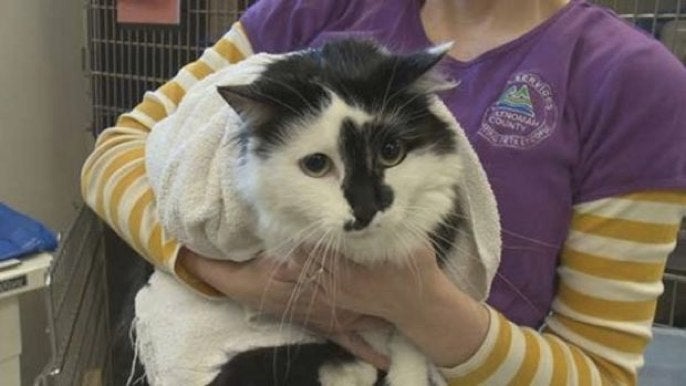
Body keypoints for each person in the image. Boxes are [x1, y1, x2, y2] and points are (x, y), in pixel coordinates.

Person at [81, 0, 686, 384]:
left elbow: (602, 373)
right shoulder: (308, 12)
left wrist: (418, 305)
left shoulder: (633, 84)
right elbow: (114, 155)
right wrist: (220, 270)